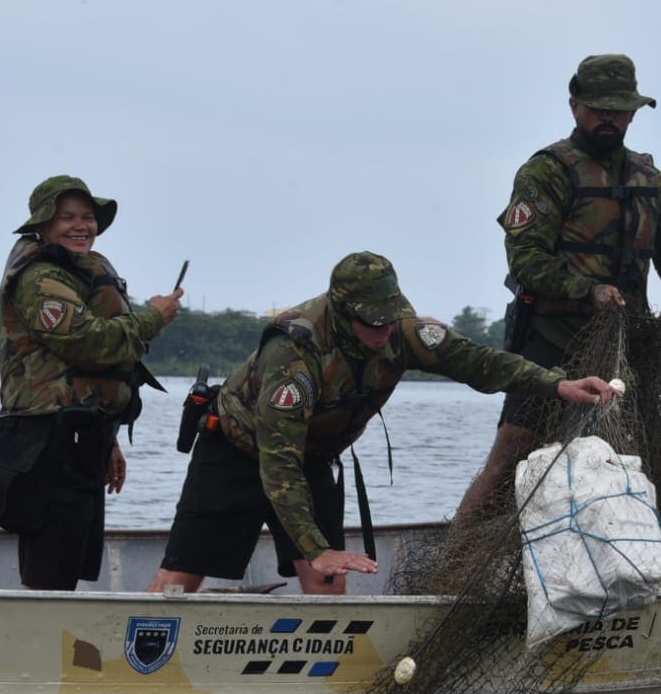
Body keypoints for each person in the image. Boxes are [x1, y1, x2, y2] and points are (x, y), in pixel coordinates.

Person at [146, 251, 617, 596]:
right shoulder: (295, 353)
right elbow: (278, 464)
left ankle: (326, 677)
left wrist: (558, 385)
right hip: (239, 451)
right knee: (182, 576)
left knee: (329, 577)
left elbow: (479, 362)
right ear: (343, 313)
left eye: (390, 320)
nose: (386, 332)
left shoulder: (400, 329)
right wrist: (314, 546)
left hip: (311, 456)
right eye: (374, 324)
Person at [457, 53, 661, 518]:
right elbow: (526, 258)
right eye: (598, 109)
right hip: (548, 340)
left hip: (628, 344)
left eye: (617, 109)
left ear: (633, 113)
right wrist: (587, 289)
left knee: (636, 457)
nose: (608, 118)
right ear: (575, 107)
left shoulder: (650, 178)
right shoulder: (547, 171)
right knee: (511, 455)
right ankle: (455, 559)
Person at [0, 174, 184, 590]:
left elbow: (87, 376)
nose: (81, 226)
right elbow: (89, 343)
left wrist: (107, 441)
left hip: (81, 434)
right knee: (49, 572)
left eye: (88, 217)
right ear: (43, 224)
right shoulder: (40, 278)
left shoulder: (77, 270)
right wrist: (153, 317)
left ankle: (52, 647)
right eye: (67, 217)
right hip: (46, 437)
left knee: (68, 564)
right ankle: (38, 650)